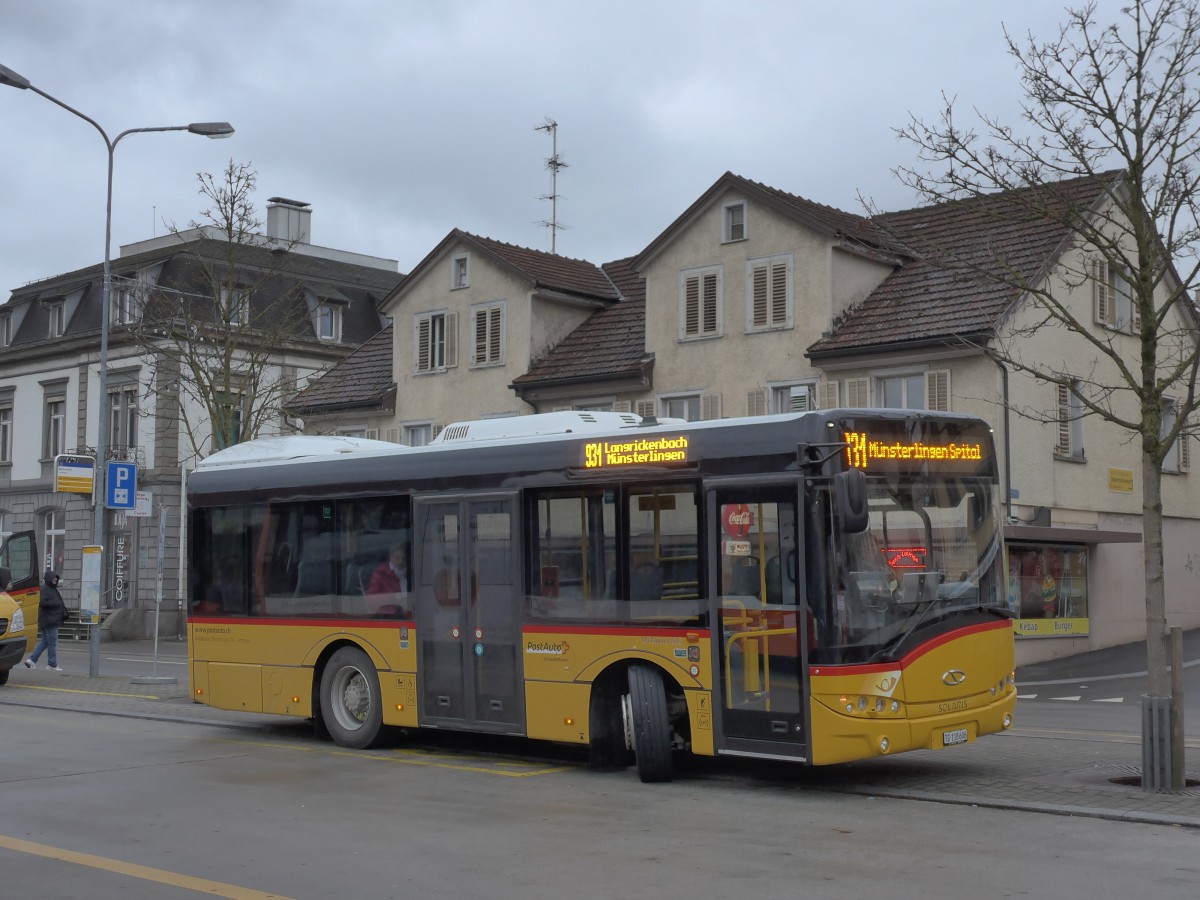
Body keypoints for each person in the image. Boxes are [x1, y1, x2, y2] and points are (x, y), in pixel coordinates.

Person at [24, 570, 67, 672]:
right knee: (52, 642)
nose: (56, 579)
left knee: (45, 642)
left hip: (49, 619)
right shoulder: (45, 589)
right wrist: (56, 603)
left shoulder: (52, 589)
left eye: (56, 578)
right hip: (49, 620)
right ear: (49, 578)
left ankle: (32, 660)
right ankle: (52, 664)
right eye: (54, 578)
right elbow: (43, 603)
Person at [366, 545, 409, 614]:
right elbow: (371, 599)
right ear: (391, 558)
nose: (400, 561)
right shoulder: (380, 574)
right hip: (388, 616)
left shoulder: (410, 573)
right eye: (397, 558)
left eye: (403, 558)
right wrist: (392, 597)